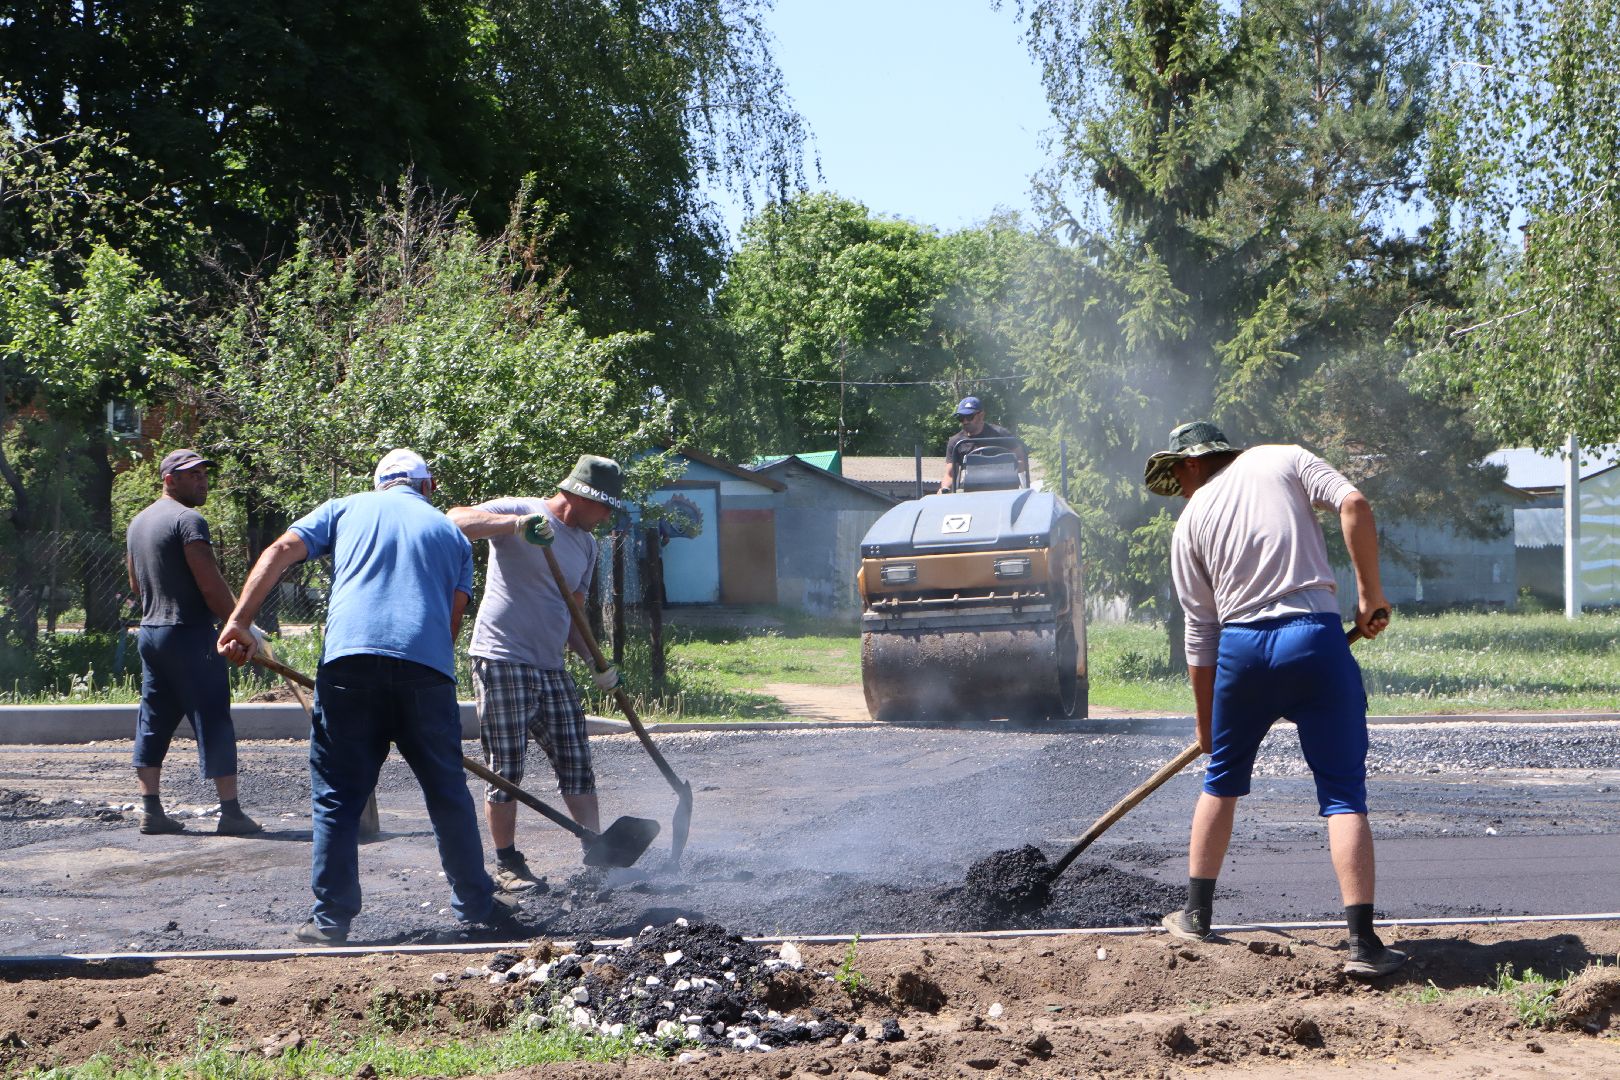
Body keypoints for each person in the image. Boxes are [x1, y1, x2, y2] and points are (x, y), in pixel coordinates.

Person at [216, 449, 517, 945]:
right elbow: (451, 623)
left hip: (348, 668)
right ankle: (477, 907)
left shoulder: (343, 508)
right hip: (425, 673)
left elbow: (276, 553)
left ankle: (331, 919)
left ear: (379, 486)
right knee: (446, 794)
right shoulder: (451, 534)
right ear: (428, 487)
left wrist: (239, 622)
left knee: (337, 797)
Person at [1144, 420, 1404, 977]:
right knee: (1342, 793)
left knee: (1221, 779)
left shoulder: (1190, 521)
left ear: (1191, 463)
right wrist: (1368, 595)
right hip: (1313, 640)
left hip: (1242, 651)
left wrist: (1206, 722)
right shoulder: (1282, 457)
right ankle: (1363, 945)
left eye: (1178, 475)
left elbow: (1200, 631)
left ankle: (1195, 914)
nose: (1182, 490)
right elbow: (1354, 503)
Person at [447, 455, 624, 891]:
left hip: (551, 667)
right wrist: (514, 526)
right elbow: (454, 521)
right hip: (501, 660)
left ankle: (597, 855)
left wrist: (594, 663)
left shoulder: (587, 544)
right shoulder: (521, 510)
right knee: (506, 768)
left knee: (576, 761)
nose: (608, 516)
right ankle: (507, 863)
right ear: (582, 496)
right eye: (606, 507)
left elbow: (574, 617)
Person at [125, 448, 262, 837]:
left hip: (151, 633)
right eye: (192, 475)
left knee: (153, 719)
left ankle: (151, 809)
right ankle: (231, 813)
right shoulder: (189, 521)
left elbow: (136, 584)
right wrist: (241, 623)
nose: (202, 480)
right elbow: (209, 582)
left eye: (203, 473)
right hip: (189, 633)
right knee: (214, 718)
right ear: (169, 479)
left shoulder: (139, 522)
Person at [939, 396, 1029, 493]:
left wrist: (998, 467)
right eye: (960, 418)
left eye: (969, 417)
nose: (965, 421)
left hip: (1005, 491)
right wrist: (944, 489)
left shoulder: (1001, 435)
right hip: (971, 493)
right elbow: (950, 475)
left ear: (981, 415)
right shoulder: (956, 442)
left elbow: (1022, 461)